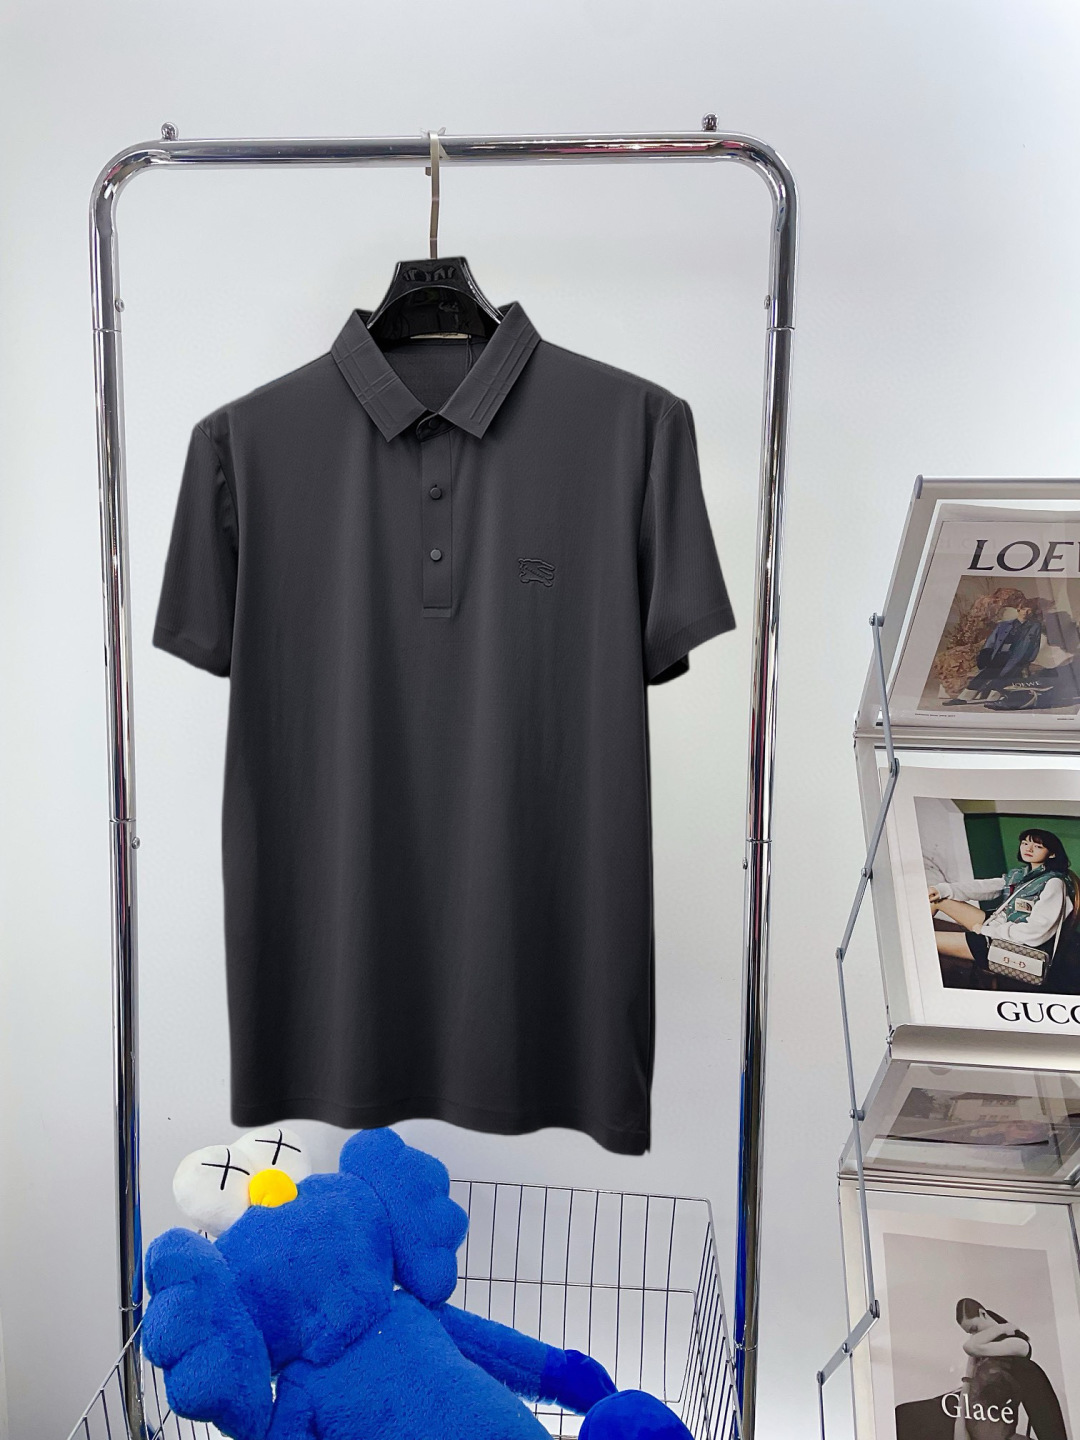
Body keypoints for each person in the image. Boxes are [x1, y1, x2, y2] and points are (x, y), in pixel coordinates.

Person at [895, 1298, 1067, 1440]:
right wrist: (959, 1425)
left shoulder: (1018, 1344)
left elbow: (970, 1346)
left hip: (985, 1415)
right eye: (970, 1333)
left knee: (906, 1419)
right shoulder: (978, 1350)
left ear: (983, 1314)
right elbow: (967, 1382)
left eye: (974, 1329)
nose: (974, 1336)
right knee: (903, 1414)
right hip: (963, 1406)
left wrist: (1002, 1328)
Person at [928, 829, 1076, 989]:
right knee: (937, 899)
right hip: (999, 926)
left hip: (1010, 945)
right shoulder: (1022, 874)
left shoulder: (1054, 883)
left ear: (1052, 854)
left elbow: (1035, 933)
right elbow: (985, 887)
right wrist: (943, 890)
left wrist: (988, 931)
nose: (1028, 849)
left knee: (926, 941)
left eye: (1038, 846)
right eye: (1025, 843)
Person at [944, 600, 1045, 707]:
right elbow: (991, 641)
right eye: (1024, 609)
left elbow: (1035, 645)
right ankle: (963, 698)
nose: (1026, 612)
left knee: (1005, 676)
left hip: (1017, 658)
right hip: (1000, 654)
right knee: (984, 675)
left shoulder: (1034, 627)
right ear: (1018, 609)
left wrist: (1028, 660)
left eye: (1029, 610)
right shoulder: (1004, 625)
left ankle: (993, 699)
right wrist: (985, 654)